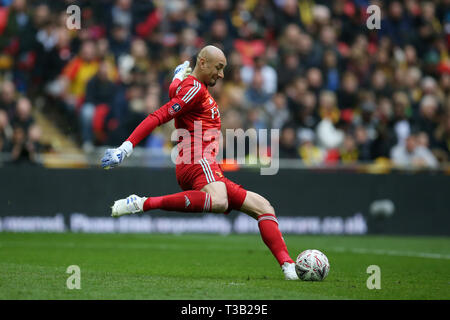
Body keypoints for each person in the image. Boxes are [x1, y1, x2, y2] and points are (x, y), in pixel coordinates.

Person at [101, 45, 299, 280]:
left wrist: (175, 78)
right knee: (219, 200)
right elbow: (159, 115)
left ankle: (289, 267)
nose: (222, 74)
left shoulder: (193, 87)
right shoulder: (194, 88)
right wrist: (126, 148)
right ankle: (142, 203)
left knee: (264, 208)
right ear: (202, 62)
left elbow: (176, 91)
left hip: (208, 166)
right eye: (219, 67)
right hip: (196, 160)